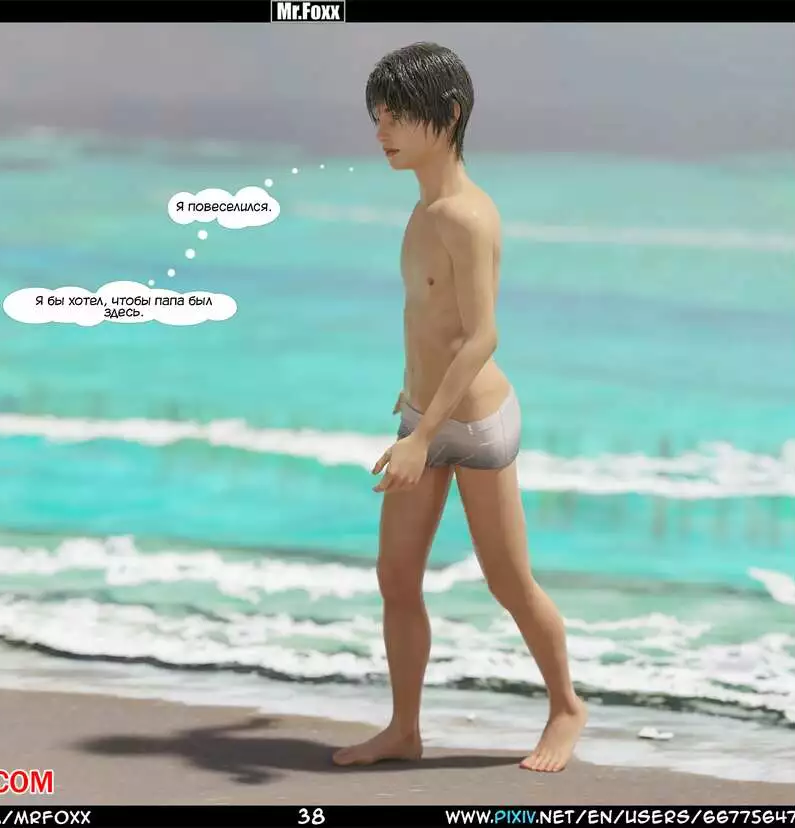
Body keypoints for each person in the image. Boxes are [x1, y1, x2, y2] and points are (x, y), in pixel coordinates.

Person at [332, 42, 587, 773]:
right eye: (378, 115)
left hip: (471, 425)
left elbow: (481, 337)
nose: (381, 130)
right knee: (395, 577)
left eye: (397, 116)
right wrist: (410, 397)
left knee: (508, 582)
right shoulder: (422, 211)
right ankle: (403, 729)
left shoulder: (467, 217)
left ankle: (566, 707)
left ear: (447, 115)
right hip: (423, 413)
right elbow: (428, 322)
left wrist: (423, 436)